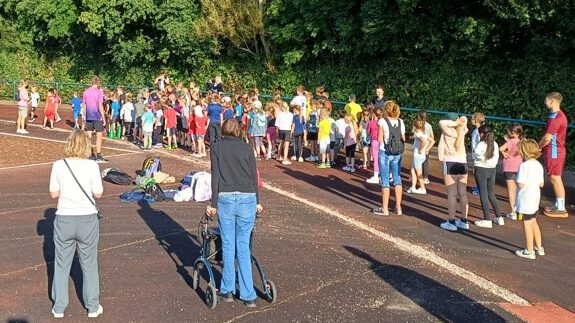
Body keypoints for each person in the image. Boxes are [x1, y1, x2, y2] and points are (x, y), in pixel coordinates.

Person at [207, 118, 262, 308]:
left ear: (223, 130)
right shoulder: (247, 147)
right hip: (247, 196)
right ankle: (248, 295)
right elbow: (253, 176)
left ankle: (227, 290)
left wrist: (213, 203)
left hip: (226, 197)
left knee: (228, 246)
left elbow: (215, 176)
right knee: (243, 247)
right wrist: (258, 201)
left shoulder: (217, 147)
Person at [49, 130, 104, 318]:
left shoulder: (58, 165)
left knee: (61, 263)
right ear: (86, 146)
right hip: (87, 217)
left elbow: (54, 194)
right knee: (89, 263)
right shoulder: (92, 166)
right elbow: (98, 193)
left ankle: (59, 307)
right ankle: (92, 306)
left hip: (64, 217)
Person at [372, 101, 405, 216]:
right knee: (397, 178)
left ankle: (385, 209)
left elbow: (380, 138)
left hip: (385, 151)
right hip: (398, 152)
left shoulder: (382, 121)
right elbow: (403, 138)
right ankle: (398, 207)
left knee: (385, 180)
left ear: (385, 110)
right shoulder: (401, 122)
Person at [437, 113, 469, 231]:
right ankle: (464, 220)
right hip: (463, 162)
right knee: (463, 193)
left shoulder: (449, 131)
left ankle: (451, 221)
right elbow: (465, 120)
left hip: (450, 162)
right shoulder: (462, 130)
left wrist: (456, 122)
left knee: (452, 194)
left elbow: (441, 123)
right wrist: (460, 121)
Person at [514, 139, 546, 259]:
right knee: (533, 221)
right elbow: (541, 183)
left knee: (526, 223)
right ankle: (539, 247)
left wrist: (516, 182)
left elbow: (520, 184)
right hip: (535, 197)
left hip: (525, 198)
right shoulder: (538, 165)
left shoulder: (524, 165)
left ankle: (529, 250)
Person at [539, 92, 569, 218]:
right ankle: (558, 205)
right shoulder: (555, 115)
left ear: (552, 101)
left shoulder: (557, 118)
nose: (545, 102)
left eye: (546, 100)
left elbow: (547, 138)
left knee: (555, 178)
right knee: (554, 177)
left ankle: (561, 208)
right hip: (553, 151)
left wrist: (537, 148)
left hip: (555, 151)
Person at [473, 125, 504, 228]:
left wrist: (482, 159)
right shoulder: (495, 144)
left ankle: (487, 219)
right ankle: (499, 217)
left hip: (481, 169)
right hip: (492, 170)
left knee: (483, 194)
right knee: (491, 193)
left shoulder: (481, 144)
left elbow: (476, 154)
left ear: (482, 134)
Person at [500, 123, 523, 219]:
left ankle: (513, 212)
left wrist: (504, 153)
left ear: (512, 133)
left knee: (511, 190)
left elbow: (500, 148)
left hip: (509, 167)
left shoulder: (510, 141)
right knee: (519, 190)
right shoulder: (522, 141)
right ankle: (520, 211)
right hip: (519, 167)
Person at [83, 76, 108, 163]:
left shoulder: (86, 92)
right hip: (97, 116)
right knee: (99, 136)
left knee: (89, 136)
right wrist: (103, 118)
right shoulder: (98, 92)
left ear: (91, 82)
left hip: (88, 116)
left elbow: (84, 105)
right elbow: (100, 105)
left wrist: (84, 116)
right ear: (98, 83)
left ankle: (88, 154)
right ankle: (98, 155)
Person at [407, 119, 429, 194]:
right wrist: (427, 149)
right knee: (413, 171)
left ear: (415, 127)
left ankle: (423, 188)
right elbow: (432, 141)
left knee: (418, 172)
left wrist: (421, 149)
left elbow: (424, 141)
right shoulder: (424, 134)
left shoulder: (418, 134)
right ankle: (413, 187)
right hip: (421, 155)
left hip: (418, 155)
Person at [366, 108, 383, 184]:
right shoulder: (383, 122)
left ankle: (376, 176)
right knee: (383, 159)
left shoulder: (371, 123)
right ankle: (384, 175)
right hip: (382, 141)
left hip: (375, 141)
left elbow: (368, 132)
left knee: (376, 159)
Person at [418, 110, 435, 184]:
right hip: (427, 147)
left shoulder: (417, 124)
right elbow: (432, 137)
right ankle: (425, 178)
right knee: (425, 162)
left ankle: (417, 176)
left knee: (417, 163)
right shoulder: (429, 125)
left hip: (419, 147)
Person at [470, 112, 485, 195]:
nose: (471, 120)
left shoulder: (478, 131)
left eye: (472, 119)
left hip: (478, 154)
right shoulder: (479, 130)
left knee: (478, 172)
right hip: (477, 153)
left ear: (476, 120)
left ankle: (480, 188)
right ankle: (478, 186)